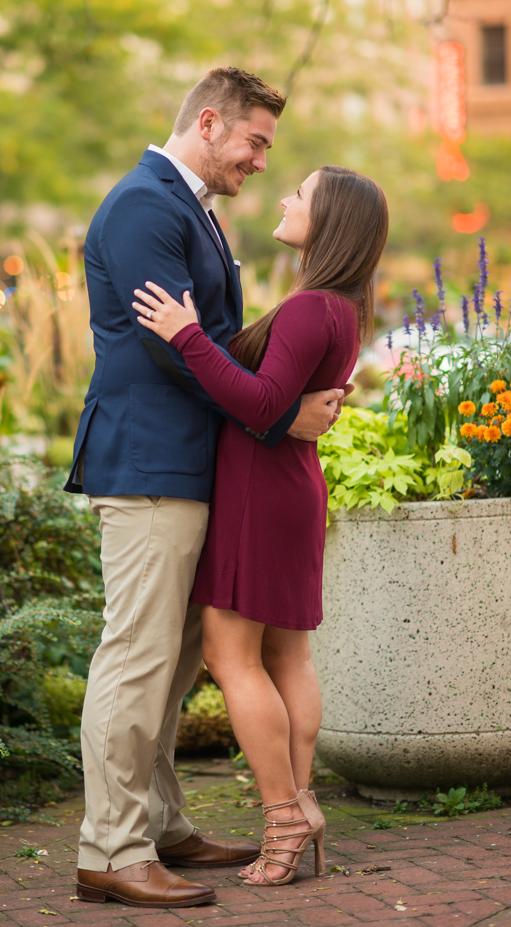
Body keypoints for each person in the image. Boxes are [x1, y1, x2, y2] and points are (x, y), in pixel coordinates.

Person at [65, 67, 348, 910]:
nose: (262, 160)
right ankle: (110, 849)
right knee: (137, 657)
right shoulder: (147, 206)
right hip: (150, 467)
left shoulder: (189, 207)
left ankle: (157, 825)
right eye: (257, 141)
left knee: (175, 661)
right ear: (212, 123)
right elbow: (173, 348)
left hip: (191, 470)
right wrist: (277, 416)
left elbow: (214, 339)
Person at [132, 164, 389, 887]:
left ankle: (283, 816)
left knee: (231, 655)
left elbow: (260, 402)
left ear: (330, 219)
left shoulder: (313, 307)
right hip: (288, 487)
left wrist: (186, 335)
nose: (283, 196)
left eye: (299, 194)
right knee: (287, 657)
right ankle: (298, 807)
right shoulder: (341, 307)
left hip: (261, 490)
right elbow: (284, 400)